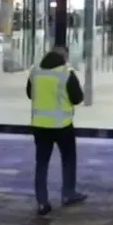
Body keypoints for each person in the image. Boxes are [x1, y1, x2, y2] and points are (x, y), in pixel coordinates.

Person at [26, 46, 88, 216]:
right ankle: (68, 194)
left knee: (41, 164)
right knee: (68, 160)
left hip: (39, 125)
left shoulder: (35, 71)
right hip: (62, 126)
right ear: (65, 57)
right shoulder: (66, 73)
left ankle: (42, 202)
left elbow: (30, 94)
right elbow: (77, 98)